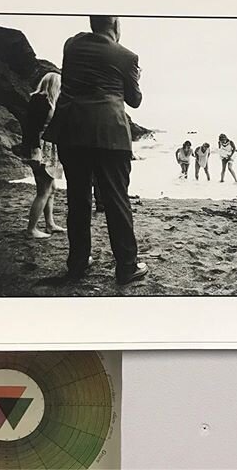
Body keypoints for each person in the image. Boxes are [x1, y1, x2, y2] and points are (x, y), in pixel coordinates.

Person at [43, 16, 148, 285]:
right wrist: (135, 76)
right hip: (109, 134)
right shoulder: (126, 56)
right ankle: (126, 267)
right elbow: (134, 100)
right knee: (116, 199)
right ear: (115, 24)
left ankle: (78, 264)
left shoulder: (72, 45)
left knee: (77, 200)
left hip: (72, 130)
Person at [22, 72, 65, 239]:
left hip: (49, 147)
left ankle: (50, 224)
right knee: (43, 189)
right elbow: (31, 127)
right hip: (41, 147)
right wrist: (35, 150)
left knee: (51, 188)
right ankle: (31, 229)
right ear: (53, 84)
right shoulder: (40, 100)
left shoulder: (48, 101)